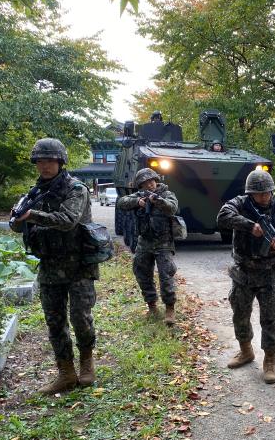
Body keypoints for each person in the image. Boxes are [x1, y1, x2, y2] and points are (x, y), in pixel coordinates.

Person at [11, 138, 98, 394]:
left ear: (60, 162)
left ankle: (86, 363)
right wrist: (18, 218)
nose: (45, 166)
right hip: (50, 266)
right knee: (54, 322)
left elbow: (69, 220)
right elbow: (17, 225)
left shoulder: (76, 189)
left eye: (50, 160)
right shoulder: (34, 193)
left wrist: (32, 215)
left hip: (79, 265)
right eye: (40, 161)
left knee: (80, 318)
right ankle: (66, 372)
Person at [216, 170, 275, 384]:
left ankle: (270, 360)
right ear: (250, 194)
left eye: (267, 193)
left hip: (268, 272)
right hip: (243, 271)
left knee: (269, 318)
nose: (263, 197)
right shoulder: (240, 204)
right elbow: (223, 216)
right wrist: (251, 226)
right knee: (240, 313)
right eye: (258, 194)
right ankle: (246, 350)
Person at [117, 168, 179, 325]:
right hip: (144, 241)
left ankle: (169, 308)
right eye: (145, 184)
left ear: (156, 180)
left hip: (163, 242)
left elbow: (172, 207)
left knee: (166, 275)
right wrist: (138, 202)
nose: (149, 185)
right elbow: (121, 203)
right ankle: (152, 305)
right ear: (141, 186)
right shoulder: (139, 195)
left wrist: (157, 200)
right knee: (142, 272)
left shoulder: (166, 194)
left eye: (151, 181)